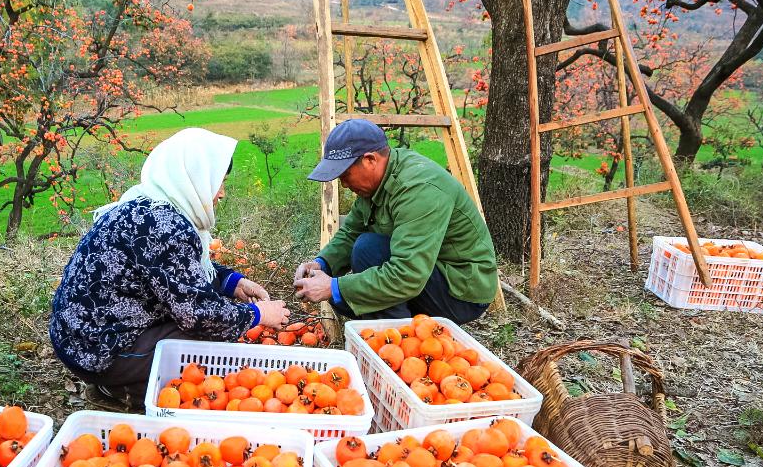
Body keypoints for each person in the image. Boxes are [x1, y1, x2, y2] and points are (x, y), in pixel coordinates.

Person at [50, 128, 289, 408]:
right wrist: (258, 314)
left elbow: (173, 272)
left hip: (81, 336)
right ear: (195, 179)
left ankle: (127, 381)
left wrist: (231, 282)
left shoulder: (145, 204)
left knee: (207, 327)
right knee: (207, 341)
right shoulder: (164, 226)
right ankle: (129, 391)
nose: (221, 194)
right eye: (218, 183)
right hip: (99, 349)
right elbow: (198, 315)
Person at [293, 119, 497, 324]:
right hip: (429, 272)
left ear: (370, 160)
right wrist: (322, 265)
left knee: (366, 252)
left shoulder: (418, 189)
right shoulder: (377, 182)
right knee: (346, 290)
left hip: (461, 290)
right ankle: (390, 329)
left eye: (346, 175)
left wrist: (334, 286)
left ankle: (398, 341)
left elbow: (408, 275)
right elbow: (351, 232)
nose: (344, 185)